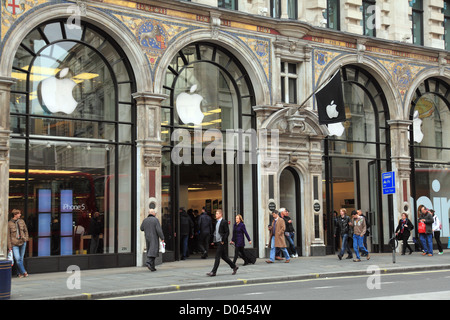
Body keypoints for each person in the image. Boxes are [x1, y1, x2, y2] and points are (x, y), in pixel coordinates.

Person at [206, 209, 239, 277]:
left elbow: (227, 232)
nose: (216, 215)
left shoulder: (224, 222)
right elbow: (215, 232)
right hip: (217, 241)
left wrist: (223, 240)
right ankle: (234, 267)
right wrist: (213, 241)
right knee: (224, 256)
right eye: (216, 214)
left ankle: (213, 272)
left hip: (222, 242)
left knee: (217, 256)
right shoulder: (216, 222)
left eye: (217, 214)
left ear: (221, 214)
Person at [7, 209, 29, 278]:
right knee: (17, 258)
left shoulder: (22, 221)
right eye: (19, 214)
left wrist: (26, 238)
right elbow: (8, 236)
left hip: (22, 242)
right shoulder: (9, 223)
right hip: (14, 243)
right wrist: (9, 245)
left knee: (21, 259)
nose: (20, 215)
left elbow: (26, 230)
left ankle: (19, 273)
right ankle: (24, 272)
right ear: (15, 215)